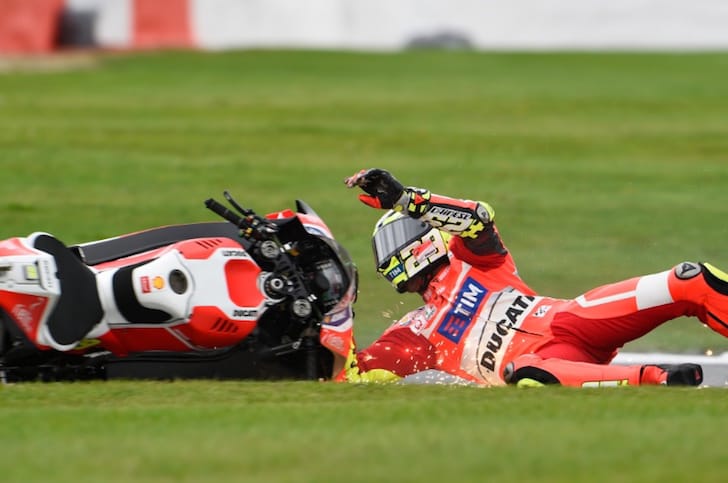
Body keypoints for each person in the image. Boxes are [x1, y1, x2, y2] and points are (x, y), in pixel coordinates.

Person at [335, 168, 728, 387]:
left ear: (427, 233)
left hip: (574, 320)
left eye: (397, 238)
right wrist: (336, 307)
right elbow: (354, 375)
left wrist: (407, 201)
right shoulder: (411, 332)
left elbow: (478, 217)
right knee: (528, 375)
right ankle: (657, 381)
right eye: (384, 249)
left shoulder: (472, 258)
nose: (392, 253)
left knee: (690, 279)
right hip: (545, 366)